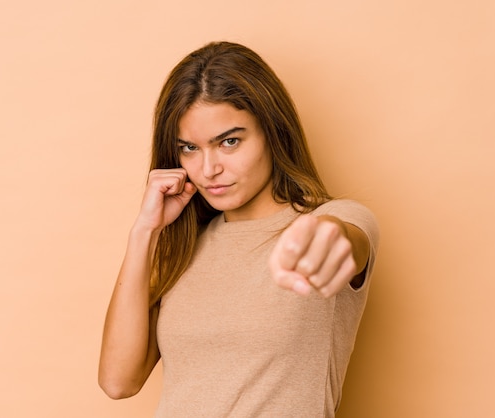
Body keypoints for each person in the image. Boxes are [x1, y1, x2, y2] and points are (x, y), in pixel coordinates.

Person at [98, 41, 379, 417]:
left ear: (273, 132)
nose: (209, 168)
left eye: (229, 142)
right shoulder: (185, 246)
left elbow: (344, 239)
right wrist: (144, 232)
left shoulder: (336, 218)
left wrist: (324, 236)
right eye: (189, 148)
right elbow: (118, 382)